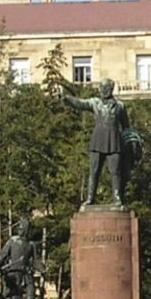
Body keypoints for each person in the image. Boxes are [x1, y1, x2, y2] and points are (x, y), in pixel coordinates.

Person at [61, 78, 132, 209]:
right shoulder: (95, 103)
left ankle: (117, 198)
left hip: (114, 141)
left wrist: (130, 142)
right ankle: (90, 198)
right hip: (98, 140)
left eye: (106, 88)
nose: (103, 90)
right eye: (102, 88)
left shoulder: (120, 106)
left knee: (115, 171)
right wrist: (67, 98)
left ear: (111, 89)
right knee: (94, 171)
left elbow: (126, 126)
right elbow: (80, 103)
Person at [0, 218, 43, 299]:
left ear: (27, 230)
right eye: (19, 229)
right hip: (13, 272)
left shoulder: (31, 244)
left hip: (25, 272)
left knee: (31, 288)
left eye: (22, 229)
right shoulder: (12, 241)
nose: (20, 231)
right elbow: (2, 255)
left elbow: (36, 260)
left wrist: (43, 269)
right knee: (6, 292)